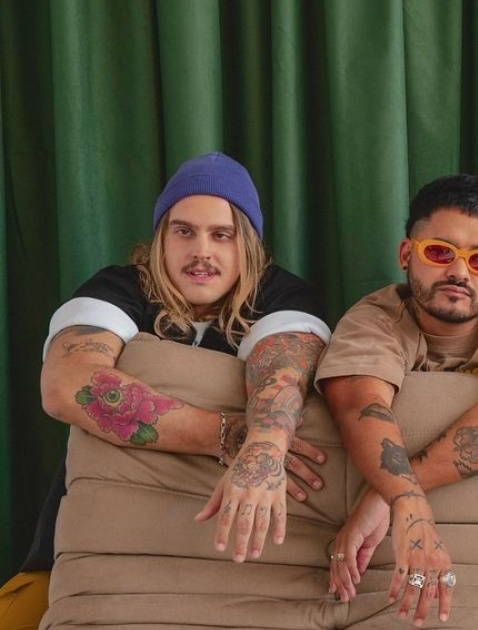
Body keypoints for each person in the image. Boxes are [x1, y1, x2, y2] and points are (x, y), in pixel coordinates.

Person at [0, 152, 331, 629]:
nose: (201, 251)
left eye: (221, 235)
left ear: (248, 244)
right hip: (86, 556)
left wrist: (265, 444)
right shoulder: (120, 287)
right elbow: (66, 386)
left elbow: (283, 375)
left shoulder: (281, 297)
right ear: (160, 238)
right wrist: (229, 436)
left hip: (231, 568)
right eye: (184, 231)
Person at [317, 174, 478, 626]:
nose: (460, 273)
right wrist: (409, 504)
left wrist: (390, 498)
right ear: (406, 255)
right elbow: (359, 406)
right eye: (440, 252)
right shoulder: (374, 319)